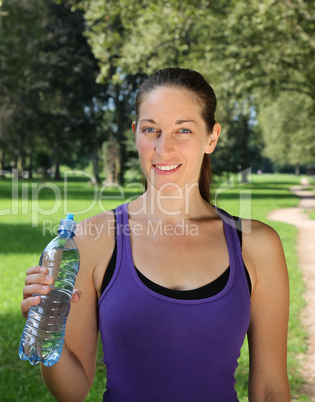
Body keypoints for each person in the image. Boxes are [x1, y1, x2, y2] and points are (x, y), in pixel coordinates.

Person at [21, 68, 290, 401]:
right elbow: (73, 391)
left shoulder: (257, 245)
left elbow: (270, 389)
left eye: (183, 130)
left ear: (211, 138)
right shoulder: (90, 240)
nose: (164, 148)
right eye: (152, 130)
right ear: (136, 134)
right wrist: (47, 328)